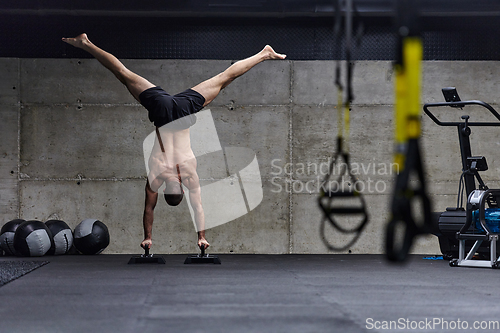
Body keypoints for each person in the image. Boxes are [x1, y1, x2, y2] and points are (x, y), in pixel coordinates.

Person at [62, 33, 286, 251]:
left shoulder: (187, 175)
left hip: (181, 112)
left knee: (223, 79)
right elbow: (152, 208)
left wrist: (194, 237)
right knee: (123, 73)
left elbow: (192, 207)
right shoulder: (157, 176)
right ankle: (86, 43)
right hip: (164, 110)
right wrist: (152, 237)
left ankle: (264, 54)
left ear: (180, 187)